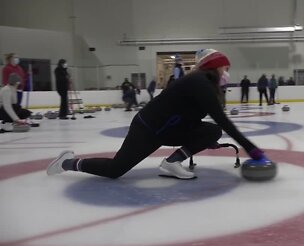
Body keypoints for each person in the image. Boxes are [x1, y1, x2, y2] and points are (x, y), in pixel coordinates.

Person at [46, 49, 271, 180]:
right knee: (115, 171)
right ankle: (68, 163)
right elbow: (224, 120)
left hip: (170, 130)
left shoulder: (208, 86)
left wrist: (203, 139)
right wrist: (251, 149)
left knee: (212, 130)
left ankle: (172, 163)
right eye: (225, 68)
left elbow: (195, 116)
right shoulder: (199, 82)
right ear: (214, 68)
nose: (227, 73)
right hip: (147, 130)